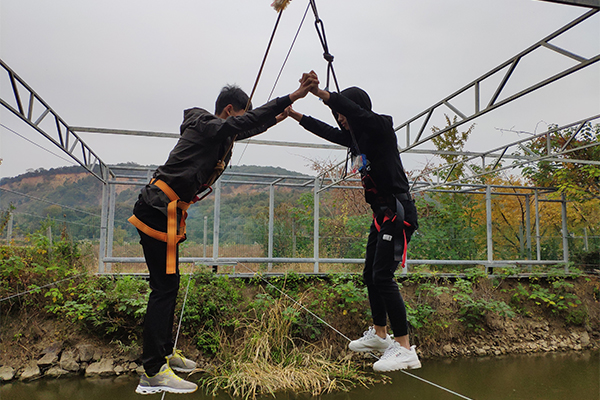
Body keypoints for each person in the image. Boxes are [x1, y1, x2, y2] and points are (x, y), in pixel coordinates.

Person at [129, 74, 318, 395]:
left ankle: (163, 353)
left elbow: (247, 127)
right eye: (240, 116)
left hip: (165, 211)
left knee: (168, 286)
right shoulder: (204, 124)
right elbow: (239, 126)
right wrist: (292, 96)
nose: (240, 124)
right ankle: (152, 371)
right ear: (228, 110)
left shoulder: (217, 133)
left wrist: (280, 115)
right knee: (163, 289)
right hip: (159, 210)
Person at [285, 72, 421, 372]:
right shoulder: (356, 140)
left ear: (355, 110)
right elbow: (326, 131)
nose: (340, 120)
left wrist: (322, 94)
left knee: (383, 276)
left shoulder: (381, 127)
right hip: (381, 216)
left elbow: (358, 113)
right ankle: (380, 334)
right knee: (370, 275)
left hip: (397, 212)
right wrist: (295, 115)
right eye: (337, 115)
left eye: (342, 114)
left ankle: (405, 348)